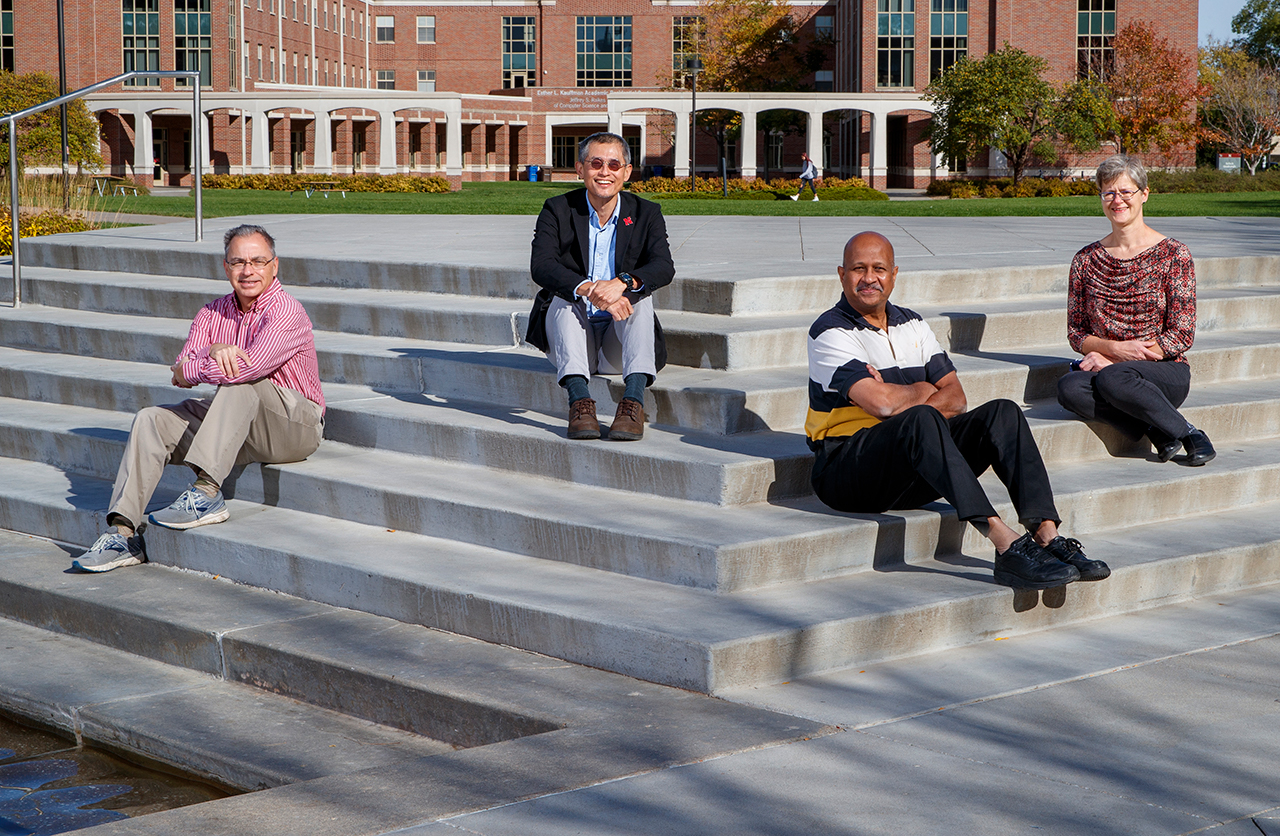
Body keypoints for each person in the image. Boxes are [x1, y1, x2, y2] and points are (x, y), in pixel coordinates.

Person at [807, 231, 1109, 589]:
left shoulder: (912, 323)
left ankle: (1046, 533)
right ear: (841, 274)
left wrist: (907, 393)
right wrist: (922, 389)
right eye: (858, 269)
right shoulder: (830, 331)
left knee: (1003, 413)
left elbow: (956, 397)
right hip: (847, 470)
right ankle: (1005, 543)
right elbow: (883, 405)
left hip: (908, 470)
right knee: (922, 417)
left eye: (879, 268)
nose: (869, 278)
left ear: (894, 274)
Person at [72, 224, 325, 572]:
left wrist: (200, 363)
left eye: (257, 261)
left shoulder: (285, 311)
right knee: (151, 419)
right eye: (238, 262)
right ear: (226, 268)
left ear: (274, 266)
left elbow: (245, 371)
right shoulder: (211, 313)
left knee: (239, 383)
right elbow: (179, 372)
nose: (247, 271)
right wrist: (215, 350)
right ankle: (123, 534)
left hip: (293, 425)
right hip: (236, 421)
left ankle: (207, 492)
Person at [1056, 154, 1214, 466]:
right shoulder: (1085, 260)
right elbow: (1076, 334)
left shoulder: (1174, 254)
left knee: (1115, 378)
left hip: (1164, 371)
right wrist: (1111, 349)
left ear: (1144, 194)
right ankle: (1157, 429)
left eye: (1126, 191)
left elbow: (1181, 334)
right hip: (1108, 372)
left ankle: (1190, 434)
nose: (1117, 200)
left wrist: (1115, 359)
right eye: (1109, 192)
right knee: (1069, 387)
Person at [527, 132, 675, 441]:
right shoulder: (557, 209)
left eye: (613, 164)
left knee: (638, 298)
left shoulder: (647, 213)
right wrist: (591, 289)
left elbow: (663, 267)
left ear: (627, 171)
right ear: (580, 169)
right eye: (595, 163)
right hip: (571, 337)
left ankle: (632, 403)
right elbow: (542, 265)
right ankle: (580, 404)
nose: (604, 172)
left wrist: (621, 283)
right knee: (563, 297)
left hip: (616, 344)